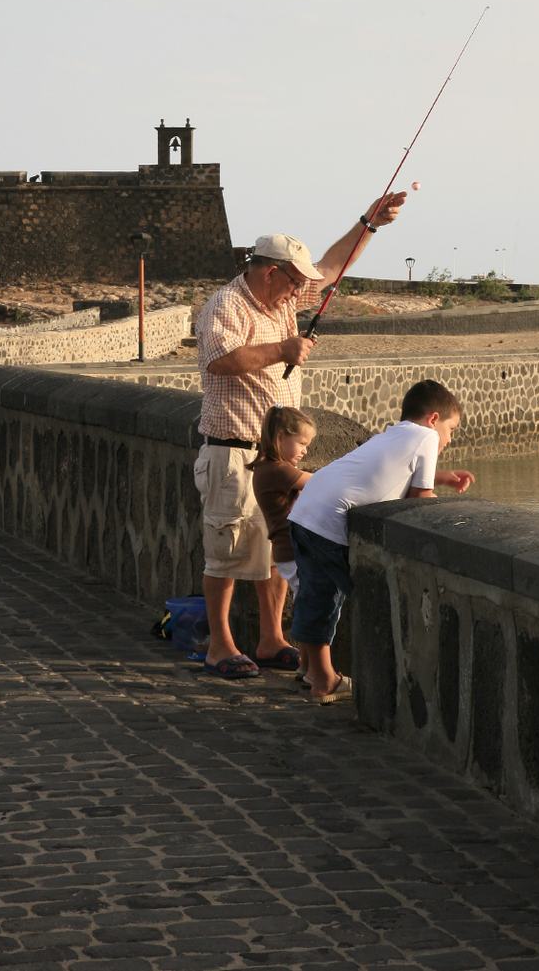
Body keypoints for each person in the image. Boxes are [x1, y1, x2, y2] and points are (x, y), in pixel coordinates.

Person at [194, 193, 406, 679]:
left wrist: (368, 224)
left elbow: (332, 266)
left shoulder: (284, 296)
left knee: (276, 551)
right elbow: (219, 360)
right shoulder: (226, 305)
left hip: (276, 458)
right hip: (233, 453)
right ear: (271, 272)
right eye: (294, 281)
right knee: (226, 551)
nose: (300, 291)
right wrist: (282, 349)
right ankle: (220, 646)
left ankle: (271, 640)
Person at [288, 379, 474, 704]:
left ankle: (307, 667)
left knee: (309, 593)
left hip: (306, 510)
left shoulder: (392, 433)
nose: (450, 437)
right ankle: (324, 680)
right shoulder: (428, 436)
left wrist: (440, 476)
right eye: (452, 428)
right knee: (324, 600)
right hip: (328, 522)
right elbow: (419, 496)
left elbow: (390, 474)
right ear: (433, 418)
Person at [251, 406, 317, 682]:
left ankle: (305, 667)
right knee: (310, 606)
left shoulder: (268, 468)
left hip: (285, 550)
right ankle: (314, 669)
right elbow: (319, 483)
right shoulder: (278, 471)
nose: (304, 451)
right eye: (301, 443)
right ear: (280, 437)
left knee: (305, 602)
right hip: (291, 550)